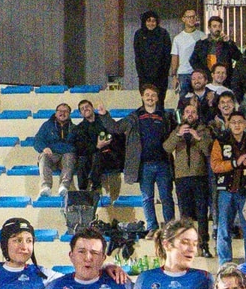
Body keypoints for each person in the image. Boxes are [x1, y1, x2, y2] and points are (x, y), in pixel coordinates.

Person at [101, 85, 178, 236]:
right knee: (147, 198)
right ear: (142, 97)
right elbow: (116, 128)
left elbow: (176, 132)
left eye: (153, 95)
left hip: (163, 163)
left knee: (166, 197)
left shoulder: (166, 116)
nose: (150, 97)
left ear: (157, 98)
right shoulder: (134, 117)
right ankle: (152, 227)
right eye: (147, 95)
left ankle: (170, 228)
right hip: (144, 165)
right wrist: (104, 115)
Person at [211, 111, 246, 263]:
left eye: (240, 122)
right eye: (233, 122)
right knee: (223, 230)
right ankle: (224, 264)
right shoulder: (220, 141)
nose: (237, 125)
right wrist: (235, 163)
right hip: (225, 191)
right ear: (228, 124)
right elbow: (215, 165)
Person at [164, 101, 214, 257]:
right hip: (182, 178)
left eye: (193, 112)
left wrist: (197, 137)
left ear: (197, 115)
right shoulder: (177, 130)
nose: (190, 115)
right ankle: (186, 244)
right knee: (185, 214)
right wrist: (178, 135)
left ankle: (203, 244)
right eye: (187, 112)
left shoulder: (204, 130)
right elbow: (166, 148)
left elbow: (208, 150)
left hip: (199, 176)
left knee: (201, 213)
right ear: (183, 115)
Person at [71, 99, 123, 201]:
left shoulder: (104, 120)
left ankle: (95, 185)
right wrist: (97, 146)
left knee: (98, 155)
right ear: (80, 113)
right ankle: (83, 190)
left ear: (92, 108)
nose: (85, 109)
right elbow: (82, 149)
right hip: (92, 157)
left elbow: (115, 131)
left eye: (87, 106)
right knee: (83, 160)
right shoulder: (80, 128)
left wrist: (105, 115)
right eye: (82, 108)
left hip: (109, 156)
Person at [34, 102, 77, 199]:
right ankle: (45, 187)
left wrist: (68, 150)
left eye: (66, 111)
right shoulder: (47, 125)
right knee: (43, 156)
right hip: (52, 154)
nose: (63, 113)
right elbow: (37, 140)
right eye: (60, 111)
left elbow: (77, 145)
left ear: (69, 114)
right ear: (56, 113)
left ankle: (64, 186)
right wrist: (44, 148)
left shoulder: (74, 128)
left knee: (70, 156)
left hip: (66, 156)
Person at [134, 11, 172, 108]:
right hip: (144, 76)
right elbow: (138, 56)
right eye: (148, 20)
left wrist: (164, 73)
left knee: (159, 101)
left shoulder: (163, 34)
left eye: (153, 21)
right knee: (147, 102)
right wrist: (141, 74)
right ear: (144, 22)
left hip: (161, 76)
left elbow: (167, 56)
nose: (151, 23)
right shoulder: (139, 34)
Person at [191, 16, 242, 83]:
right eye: (214, 26)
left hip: (225, 80)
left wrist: (229, 42)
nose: (217, 29)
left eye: (219, 26)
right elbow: (193, 60)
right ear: (209, 28)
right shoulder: (201, 43)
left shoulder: (227, 43)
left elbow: (238, 57)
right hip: (208, 79)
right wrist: (202, 73)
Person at [170, 8, 206, 97]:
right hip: (183, 74)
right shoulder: (177, 38)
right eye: (189, 17)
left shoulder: (202, 36)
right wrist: (174, 76)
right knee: (184, 100)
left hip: (199, 72)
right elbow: (175, 58)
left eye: (193, 17)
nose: (191, 19)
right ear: (183, 19)